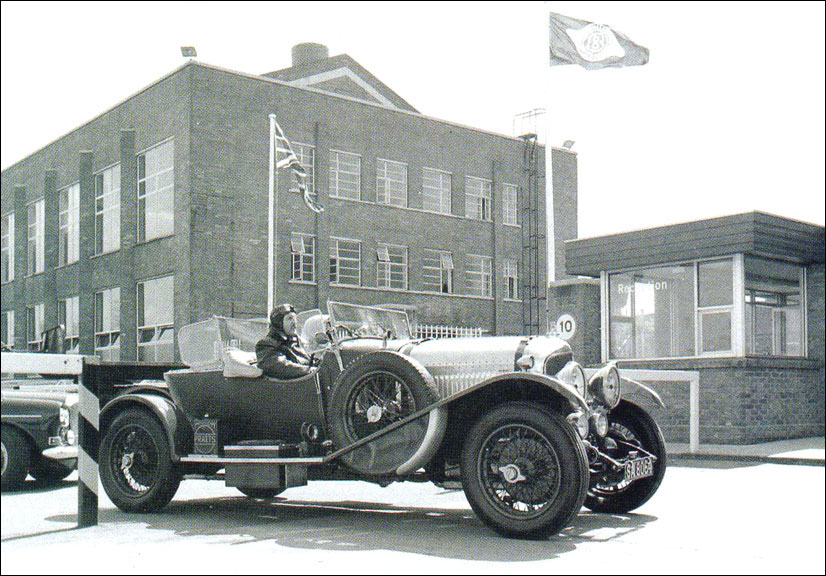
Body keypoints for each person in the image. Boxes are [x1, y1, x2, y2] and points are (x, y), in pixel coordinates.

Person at [255, 304, 315, 379]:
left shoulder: (294, 342)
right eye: (290, 318)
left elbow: (309, 361)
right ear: (279, 323)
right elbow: (280, 366)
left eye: (295, 319)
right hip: (287, 385)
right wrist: (310, 370)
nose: (294, 323)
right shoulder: (266, 344)